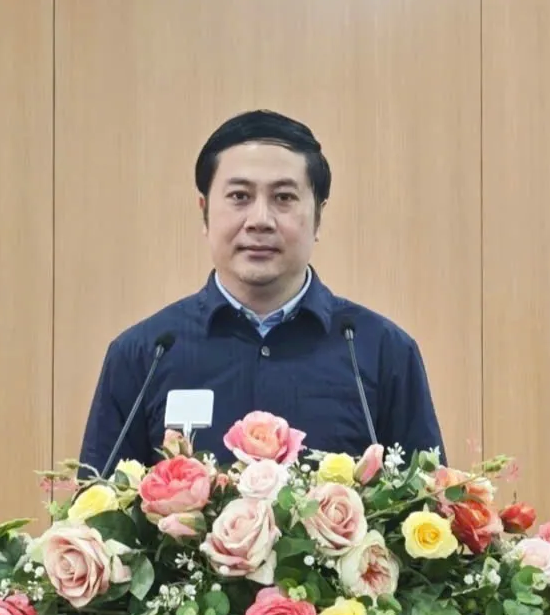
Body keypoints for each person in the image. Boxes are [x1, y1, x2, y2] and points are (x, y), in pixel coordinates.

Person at [77, 109, 443, 474]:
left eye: (284, 198)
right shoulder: (145, 355)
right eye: (239, 196)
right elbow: (96, 504)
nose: (260, 221)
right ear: (204, 211)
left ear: (318, 216)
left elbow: (428, 501)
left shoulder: (382, 351)